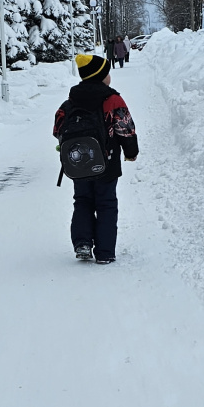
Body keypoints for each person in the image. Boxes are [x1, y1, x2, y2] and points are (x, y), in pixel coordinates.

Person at [53, 54, 139, 264]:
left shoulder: (70, 102)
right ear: (100, 76)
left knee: (82, 201)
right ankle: (105, 252)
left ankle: (82, 243)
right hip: (106, 163)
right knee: (106, 203)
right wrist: (131, 152)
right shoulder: (112, 100)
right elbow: (125, 128)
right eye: (106, 72)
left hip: (79, 164)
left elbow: (57, 129)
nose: (110, 76)